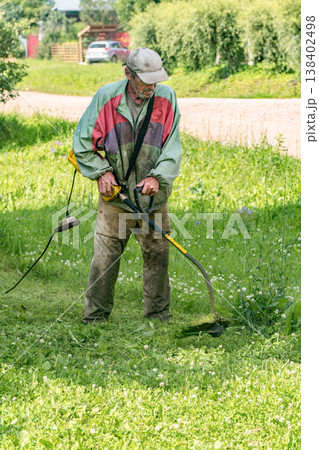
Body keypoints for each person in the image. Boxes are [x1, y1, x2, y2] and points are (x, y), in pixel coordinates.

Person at [73, 48, 182, 324]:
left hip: (152, 197)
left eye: (156, 79)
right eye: (146, 80)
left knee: (157, 254)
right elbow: (82, 145)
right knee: (105, 257)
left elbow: (172, 147)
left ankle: (158, 315)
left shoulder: (167, 99)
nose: (152, 86)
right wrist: (101, 173)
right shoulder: (106, 98)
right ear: (128, 74)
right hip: (116, 196)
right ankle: (96, 316)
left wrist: (158, 177)